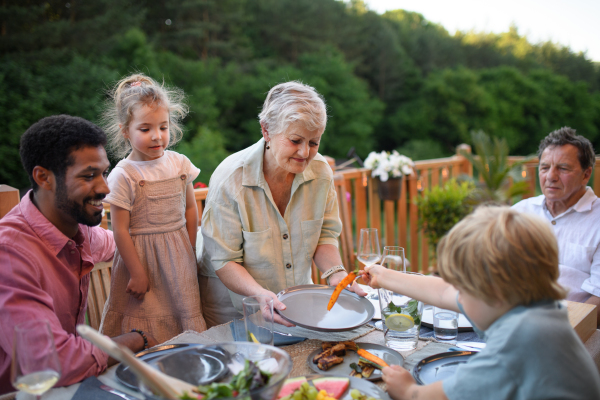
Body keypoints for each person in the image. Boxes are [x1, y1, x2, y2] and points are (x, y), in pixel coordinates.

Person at [362, 206, 600, 400]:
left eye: (463, 288)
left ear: (493, 292)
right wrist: (384, 276)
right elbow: (444, 291)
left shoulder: (517, 343)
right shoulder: (531, 305)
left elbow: (432, 396)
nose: (458, 295)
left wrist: (406, 390)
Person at [0, 115, 159, 395]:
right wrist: (137, 338)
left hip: (70, 383)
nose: (105, 188)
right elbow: (50, 363)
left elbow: (122, 245)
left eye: (104, 172)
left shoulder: (77, 229)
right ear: (43, 177)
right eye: (88, 176)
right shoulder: (9, 254)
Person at [199, 81, 366, 327]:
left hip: (295, 303)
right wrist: (259, 296)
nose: (305, 152)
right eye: (296, 140)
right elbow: (225, 261)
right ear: (266, 130)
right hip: (235, 311)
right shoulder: (229, 180)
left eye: (313, 142)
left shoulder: (320, 173)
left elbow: (324, 236)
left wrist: (336, 274)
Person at [99, 74, 206, 343]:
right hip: (141, 259)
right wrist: (136, 272)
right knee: (144, 315)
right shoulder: (124, 174)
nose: (157, 136)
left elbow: (191, 210)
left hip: (179, 255)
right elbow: (120, 230)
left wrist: (189, 249)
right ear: (126, 131)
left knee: (184, 313)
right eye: (145, 129)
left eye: (163, 127)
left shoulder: (179, 163)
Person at [512, 127, 600, 322]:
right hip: (512, 318)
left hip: (571, 328)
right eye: (544, 168)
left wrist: (559, 329)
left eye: (563, 168)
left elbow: (599, 297)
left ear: (586, 174)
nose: (550, 176)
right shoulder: (519, 212)